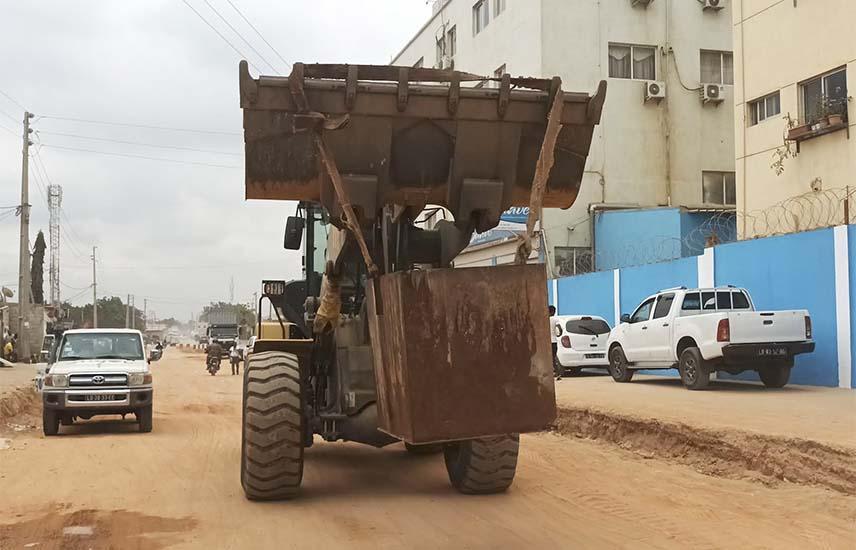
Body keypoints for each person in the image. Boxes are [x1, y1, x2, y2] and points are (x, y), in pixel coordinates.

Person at [549, 305, 562, 381]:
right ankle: (557, 372)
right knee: (553, 357)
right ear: (554, 312)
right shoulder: (556, 320)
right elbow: (559, 330)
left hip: (548, 342)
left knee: (549, 358)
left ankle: (555, 372)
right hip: (554, 341)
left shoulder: (546, 320)